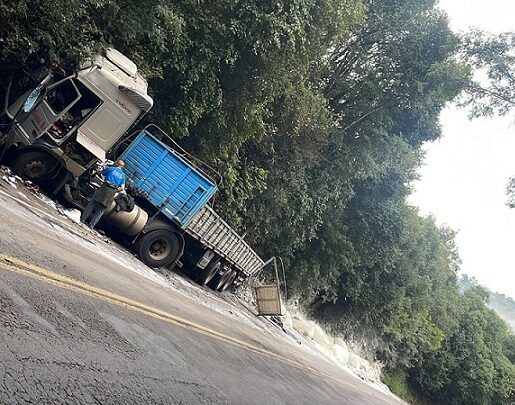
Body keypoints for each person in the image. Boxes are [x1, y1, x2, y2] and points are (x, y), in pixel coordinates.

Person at [80, 160, 126, 229]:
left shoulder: (111, 169)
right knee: (101, 210)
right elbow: (122, 188)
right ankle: (91, 225)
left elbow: (100, 172)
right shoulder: (123, 175)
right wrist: (115, 190)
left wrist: (97, 171)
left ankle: (82, 219)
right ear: (122, 167)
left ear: (116, 164)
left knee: (92, 203)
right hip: (112, 192)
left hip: (104, 188)